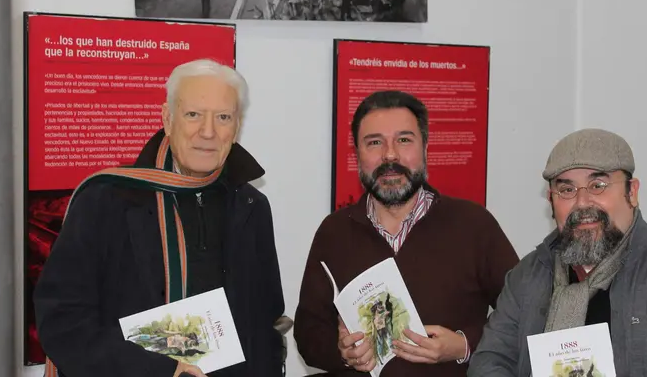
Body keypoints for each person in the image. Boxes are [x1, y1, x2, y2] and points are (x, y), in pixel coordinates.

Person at [34, 59, 286, 377]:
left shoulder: (252, 206)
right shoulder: (106, 200)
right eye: (193, 114)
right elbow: (62, 323)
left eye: (223, 117)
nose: (208, 132)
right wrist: (159, 367)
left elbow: (266, 320)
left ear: (236, 126)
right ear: (167, 119)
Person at [467, 128, 647, 376]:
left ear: (632, 192)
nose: (582, 203)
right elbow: (490, 360)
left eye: (598, 186)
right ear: (551, 200)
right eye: (567, 190)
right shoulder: (528, 276)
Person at [293, 90, 519, 377]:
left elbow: (524, 316)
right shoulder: (334, 232)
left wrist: (463, 345)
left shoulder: (474, 224)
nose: (390, 154)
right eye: (374, 142)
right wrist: (343, 352)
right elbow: (308, 333)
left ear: (425, 146)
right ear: (357, 154)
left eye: (404, 140)